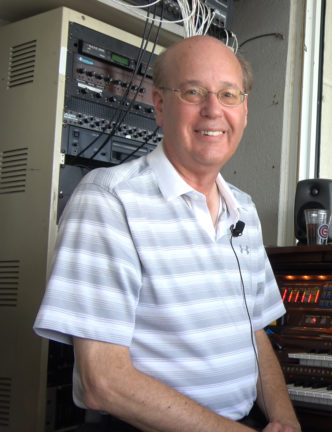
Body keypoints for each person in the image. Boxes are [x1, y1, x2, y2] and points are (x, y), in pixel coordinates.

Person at [33, 35, 301, 432]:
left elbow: (254, 332)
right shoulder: (109, 199)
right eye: (193, 92)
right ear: (160, 105)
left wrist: (285, 419)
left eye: (229, 95)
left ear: (243, 111)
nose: (213, 110)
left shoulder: (243, 208)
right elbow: (102, 383)